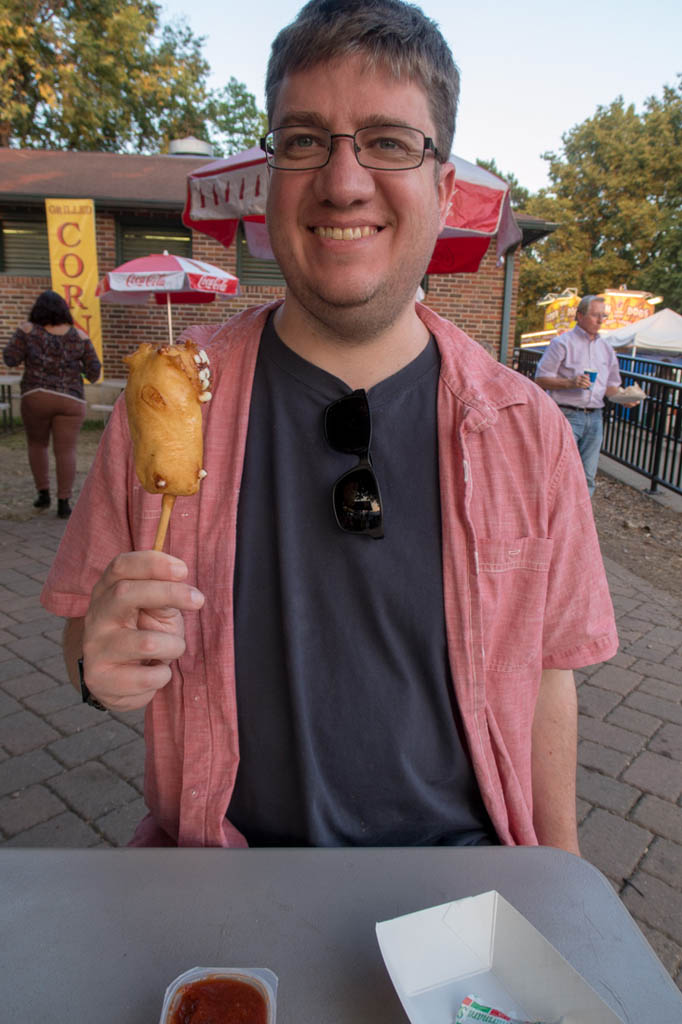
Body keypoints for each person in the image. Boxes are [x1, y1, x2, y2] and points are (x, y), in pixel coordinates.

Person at [41, 0, 618, 852]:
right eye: (305, 140)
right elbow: (80, 630)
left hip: (461, 882)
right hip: (222, 873)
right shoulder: (174, 397)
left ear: (444, 189)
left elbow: (547, 674)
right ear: (273, 174)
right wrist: (98, 665)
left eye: (388, 142)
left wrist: (561, 879)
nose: (343, 181)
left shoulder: (526, 428)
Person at [3, 289, 102, 518]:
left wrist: (23, 335)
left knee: (38, 445)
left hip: (36, 394)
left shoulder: (29, 331)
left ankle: (43, 493)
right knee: (66, 450)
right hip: (71, 398)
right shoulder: (80, 336)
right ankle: (64, 502)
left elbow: (10, 358)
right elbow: (94, 373)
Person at [534, 295, 626, 497]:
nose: (600, 320)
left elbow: (611, 388)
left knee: (587, 476)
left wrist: (625, 399)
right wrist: (570, 382)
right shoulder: (562, 343)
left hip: (595, 417)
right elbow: (540, 378)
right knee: (559, 471)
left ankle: (579, 524)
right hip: (566, 414)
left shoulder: (607, 349)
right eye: (595, 315)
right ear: (580, 316)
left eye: (603, 315)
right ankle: (553, 520)